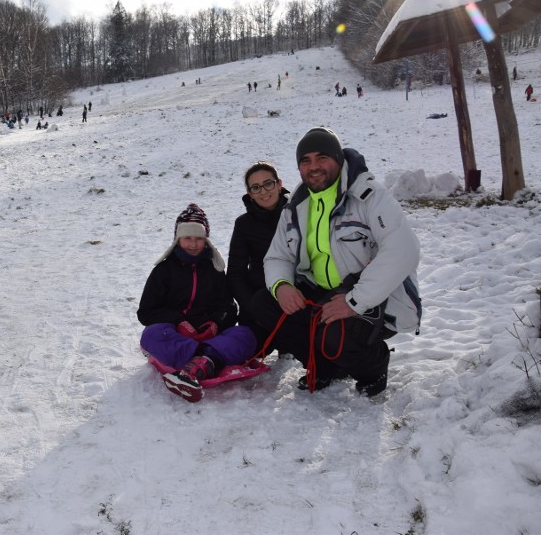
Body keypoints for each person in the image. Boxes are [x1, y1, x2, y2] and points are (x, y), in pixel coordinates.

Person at [247, 127, 421, 397]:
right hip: (319, 290)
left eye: (322, 158)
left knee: (337, 336)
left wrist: (355, 300)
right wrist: (282, 285)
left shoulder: (369, 195)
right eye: (306, 161)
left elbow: (403, 250)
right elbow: (277, 255)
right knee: (265, 304)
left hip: (367, 295)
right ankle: (325, 366)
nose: (314, 167)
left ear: (338, 159)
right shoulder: (296, 204)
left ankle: (373, 368)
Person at [138, 203, 257, 402]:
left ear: (206, 241)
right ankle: (207, 361)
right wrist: (177, 321)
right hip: (177, 336)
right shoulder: (163, 271)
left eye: (199, 239)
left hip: (210, 336)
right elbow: (146, 312)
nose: (193, 244)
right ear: (177, 240)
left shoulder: (214, 270)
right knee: (151, 334)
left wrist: (215, 323)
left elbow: (229, 307)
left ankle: (198, 363)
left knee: (245, 334)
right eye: (187, 238)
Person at [227, 161, 289, 332]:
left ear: (279, 184)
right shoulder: (244, 224)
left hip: (297, 299)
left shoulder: (298, 214)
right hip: (259, 301)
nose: (263, 191)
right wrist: (253, 308)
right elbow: (235, 273)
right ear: (250, 193)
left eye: (268, 184)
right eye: (255, 187)